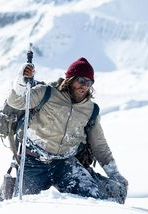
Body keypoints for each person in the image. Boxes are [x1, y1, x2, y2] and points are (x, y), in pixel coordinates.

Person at [7, 57, 128, 202]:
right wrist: (21, 81)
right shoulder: (46, 93)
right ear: (70, 79)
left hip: (65, 164)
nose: (84, 86)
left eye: (89, 83)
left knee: (93, 198)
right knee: (22, 205)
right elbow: (16, 102)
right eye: (81, 80)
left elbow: (99, 145)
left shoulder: (90, 110)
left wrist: (114, 173)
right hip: (33, 161)